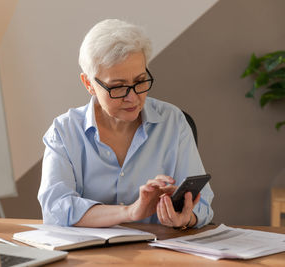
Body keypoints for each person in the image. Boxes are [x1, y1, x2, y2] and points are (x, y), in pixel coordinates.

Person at [38, 19, 214, 229]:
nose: (133, 98)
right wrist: (130, 212)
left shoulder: (173, 122)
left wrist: (186, 217)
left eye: (140, 81)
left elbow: (202, 204)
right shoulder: (63, 132)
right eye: (118, 87)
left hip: (158, 254)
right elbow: (55, 208)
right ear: (89, 84)